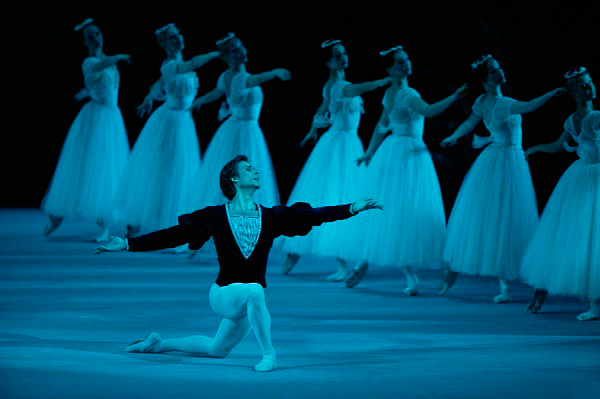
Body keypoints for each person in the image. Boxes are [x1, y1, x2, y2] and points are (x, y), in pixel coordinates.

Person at [95, 155, 382, 372]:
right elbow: (175, 235)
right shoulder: (215, 216)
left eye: (254, 168)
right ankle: (269, 353)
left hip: (245, 304)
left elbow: (314, 215)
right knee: (256, 290)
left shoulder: (270, 216)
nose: (255, 171)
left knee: (216, 349)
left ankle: (157, 343)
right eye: (248, 169)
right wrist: (129, 244)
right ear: (234, 179)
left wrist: (351, 208)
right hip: (223, 294)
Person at [437, 55, 565, 302]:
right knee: (498, 218)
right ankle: (498, 282)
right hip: (504, 161)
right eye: (494, 71)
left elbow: (471, 123)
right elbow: (526, 107)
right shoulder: (498, 102)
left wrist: (455, 136)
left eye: (499, 69)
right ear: (485, 79)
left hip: (503, 158)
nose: (500, 73)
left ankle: (507, 283)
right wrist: (550, 94)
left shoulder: (489, 101)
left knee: (504, 219)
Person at [347, 46, 467, 294]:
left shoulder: (396, 92)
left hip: (399, 154)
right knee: (399, 211)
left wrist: (371, 153)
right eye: (400, 63)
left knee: (399, 210)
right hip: (404, 155)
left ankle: (421, 271)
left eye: (406, 60)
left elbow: (387, 124)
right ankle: (408, 273)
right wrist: (455, 96)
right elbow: (419, 114)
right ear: (390, 69)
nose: (405, 64)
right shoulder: (402, 93)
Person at [280, 39, 391, 281]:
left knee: (340, 196)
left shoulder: (333, 85)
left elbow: (321, 109)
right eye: (337, 55)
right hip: (339, 145)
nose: (343, 58)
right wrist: (383, 82)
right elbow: (356, 90)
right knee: (335, 196)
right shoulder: (340, 86)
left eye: (344, 53)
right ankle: (338, 261)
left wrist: (312, 129)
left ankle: (300, 250)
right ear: (328, 62)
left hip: (348, 143)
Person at [112, 23, 219, 236]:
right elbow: (191, 65)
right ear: (164, 44)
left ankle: (182, 224)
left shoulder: (174, 65)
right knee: (157, 169)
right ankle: (136, 220)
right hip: (169, 122)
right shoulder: (172, 65)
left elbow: (158, 83)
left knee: (180, 170)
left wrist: (149, 96)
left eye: (178, 35)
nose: (177, 39)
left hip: (183, 122)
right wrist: (216, 53)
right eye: (172, 38)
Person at [520, 68, 599, 321]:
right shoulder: (594, 117)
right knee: (588, 237)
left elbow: (557, 146)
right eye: (584, 86)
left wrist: (535, 148)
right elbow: (558, 145)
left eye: (590, 83)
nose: (590, 88)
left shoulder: (573, 119)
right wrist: (537, 148)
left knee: (581, 236)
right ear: (574, 92)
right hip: (591, 177)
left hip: (580, 175)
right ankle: (594, 304)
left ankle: (589, 302)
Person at [42, 18, 131, 242]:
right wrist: (117, 57)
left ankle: (120, 218)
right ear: (85, 41)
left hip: (111, 119)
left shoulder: (107, 63)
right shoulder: (89, 62)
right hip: (95, 119)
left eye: (97, 33)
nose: (95, 38)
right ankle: (60, 216)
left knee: (112, 168)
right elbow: (99, 67)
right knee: (88, 167)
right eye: (90, 36)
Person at [187, 33, 290, 210]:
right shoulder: (240, 78)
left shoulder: (228, 76)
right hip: (244, 130)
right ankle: (238, 212)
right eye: (235, 50)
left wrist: (200, 100)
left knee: (237, 171)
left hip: (236, 127)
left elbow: (217, 93)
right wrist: (274, 72)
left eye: (241, 46)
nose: (241, 51)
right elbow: (255, 80)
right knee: (242, 171)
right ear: (227, 56)